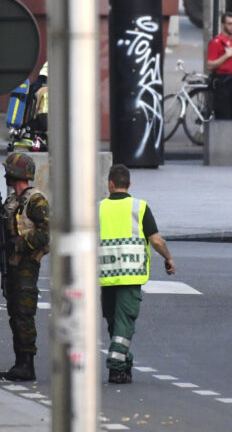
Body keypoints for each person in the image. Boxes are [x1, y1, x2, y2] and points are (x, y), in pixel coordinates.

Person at [99, 164, 175, 384]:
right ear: (129, 184)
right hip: (130, 275)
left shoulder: (97, 208)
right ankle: (117, 367)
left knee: (114, 322)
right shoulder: (140, 208)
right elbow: (156, 240)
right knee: (122, 323)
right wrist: (168, 258)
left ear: (110, 184)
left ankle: (122, 361)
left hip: (106, 275)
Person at [0, 152, 50, 382]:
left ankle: (27, 364)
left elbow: (46, 234)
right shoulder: (12, 201)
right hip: (11, 266)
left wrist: (19, 244)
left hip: (26, 265)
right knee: (14, 314)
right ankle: (20, 362)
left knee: (24, 314)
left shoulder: (35, 200)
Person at [205, 12, 232, 120]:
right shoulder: (216, 42)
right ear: (223, 25)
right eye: (229, 24)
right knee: (223, 117)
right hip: (222, 83)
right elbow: (210, 65)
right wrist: (226, 56)